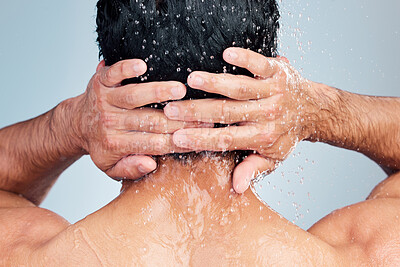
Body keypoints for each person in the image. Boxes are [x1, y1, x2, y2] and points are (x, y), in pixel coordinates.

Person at [1, 0, 400, 266]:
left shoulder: (22, 253)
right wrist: (314, 110)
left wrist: (68, 126)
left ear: (107, 75)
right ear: (266, 77)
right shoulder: (368, 254)